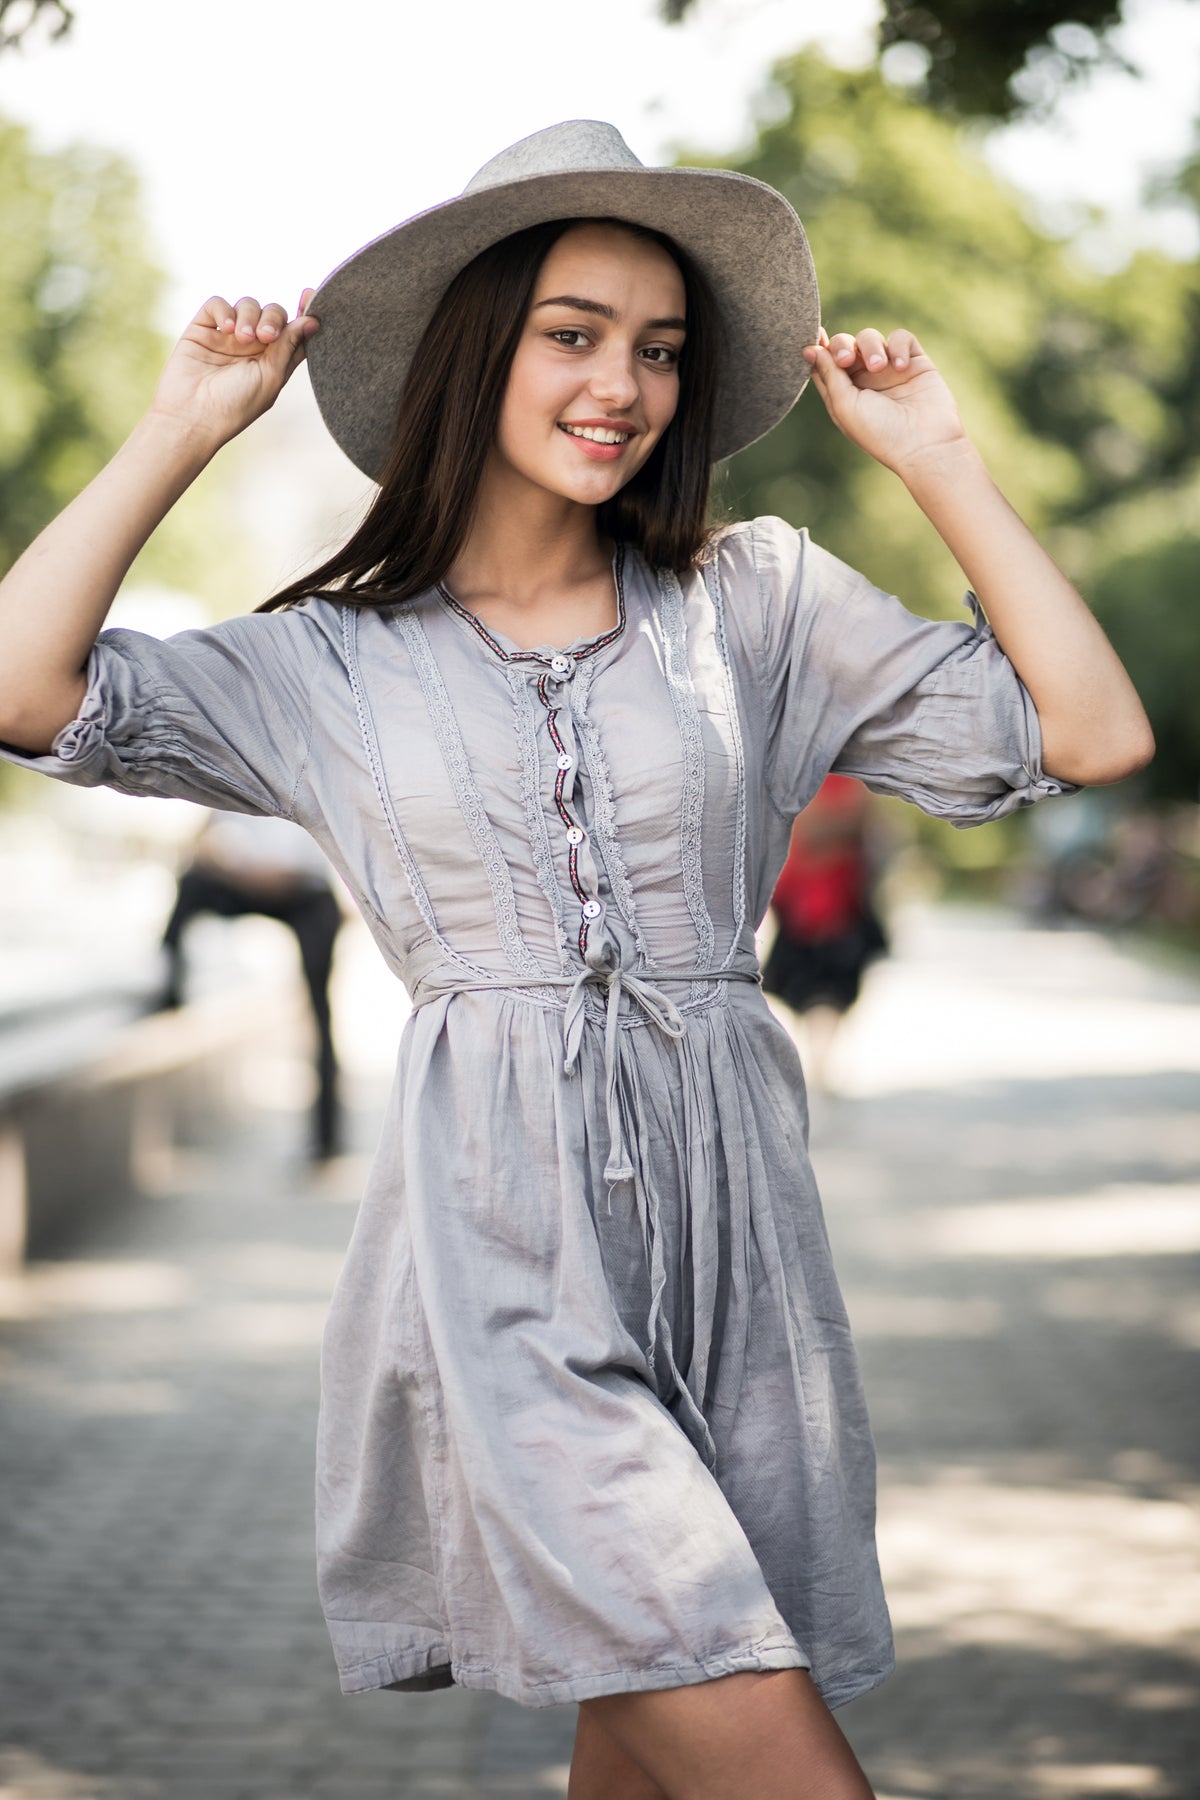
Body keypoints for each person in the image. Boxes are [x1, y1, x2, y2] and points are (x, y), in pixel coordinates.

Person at [0, 121, 1153, 1800]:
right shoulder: (328, 662)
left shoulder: (756, 601)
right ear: (478, 351)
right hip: (503, 1256)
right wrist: (182, 423)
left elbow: (1094, 730)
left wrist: (944, 459)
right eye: (574, 332)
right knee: (754, 1721)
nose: (624, 383)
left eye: (662, 348)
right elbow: (28, 691)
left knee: (658, 1723)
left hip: (734, 1234)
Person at [159, 812, 344, 1159]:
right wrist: (233, 867)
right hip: (247, 881)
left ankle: (326, 1140)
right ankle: (166, 986)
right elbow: (199, 842)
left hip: (306, 892)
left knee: (320, 1016)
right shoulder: (239, 767)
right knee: (191, 883)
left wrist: (270, 874)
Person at [762, 774, 888, 1096]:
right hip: (810, 905)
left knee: (825, 996)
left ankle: (821, 1064)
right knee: (818, 996)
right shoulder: (815, 781)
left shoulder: (836, 782)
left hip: (834, 905)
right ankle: (821, 1065)